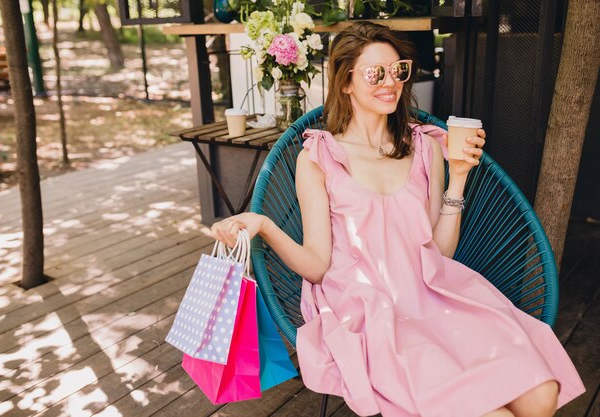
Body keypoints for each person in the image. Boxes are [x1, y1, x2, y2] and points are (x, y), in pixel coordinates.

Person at [210, 21, 585, 417]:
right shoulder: (318, 158)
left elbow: (438, 251)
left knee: (542, 395)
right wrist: (264, 225)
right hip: (366, 307)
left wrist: (457, 177)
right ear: (345, 83)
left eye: (398, 70)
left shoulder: (425, 146)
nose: (391, 82)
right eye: (375, 72)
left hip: (431, 292)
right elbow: (318, 266)